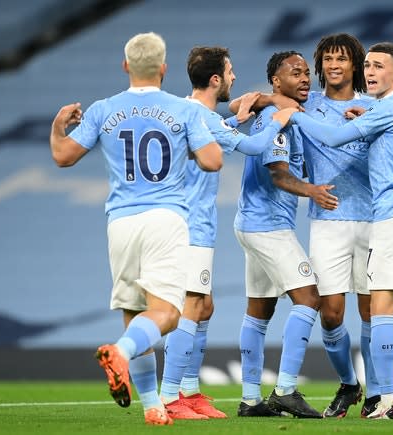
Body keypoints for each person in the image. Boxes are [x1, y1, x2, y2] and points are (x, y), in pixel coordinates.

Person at [233, 33, 393, 419]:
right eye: (328, 59)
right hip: (328, 221)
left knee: (373, 311)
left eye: (343, 59)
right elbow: (257, 103)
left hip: (374, 218)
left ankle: (379, 397)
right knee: (331, 312)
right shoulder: (308, 101)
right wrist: (258, 97)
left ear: (355, 65)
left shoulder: (374, 105)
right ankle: (351, 383)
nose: (334, 65)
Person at [49, 32, 223, 426]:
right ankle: (121, 354)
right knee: (167, 314)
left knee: (134, 312)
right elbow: (212, 161)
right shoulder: (183, 110)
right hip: (165, 218)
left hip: (121, 221)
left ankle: (152, 407)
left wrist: (59, 126)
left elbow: (62, 156)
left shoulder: (103, 109)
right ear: (163, 69)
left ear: (126, 66)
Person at [158, 46, 298, 420]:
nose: (235, 78)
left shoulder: (188, 111)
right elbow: (254, 146)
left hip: (189, 223)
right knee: (191, 307)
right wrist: (277, 120)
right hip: (190, 225)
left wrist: (234, 120)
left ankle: (189, 391)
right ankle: (171, 397)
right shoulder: (202, 115)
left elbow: (214, 133)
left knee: (204, 306)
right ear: (216, 78)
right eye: (230, 71)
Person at [234, 51, 338, 419]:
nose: (306, 78)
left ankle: (249, 399)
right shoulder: (275, 120)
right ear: (276, 82)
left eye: (307, 72)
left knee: (259, 310)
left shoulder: (290, 114)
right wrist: (312, 190)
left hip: (253, 223)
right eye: (296, 73)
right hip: (268, 227)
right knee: (310, 298)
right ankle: (285, 390)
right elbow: (278, 172)